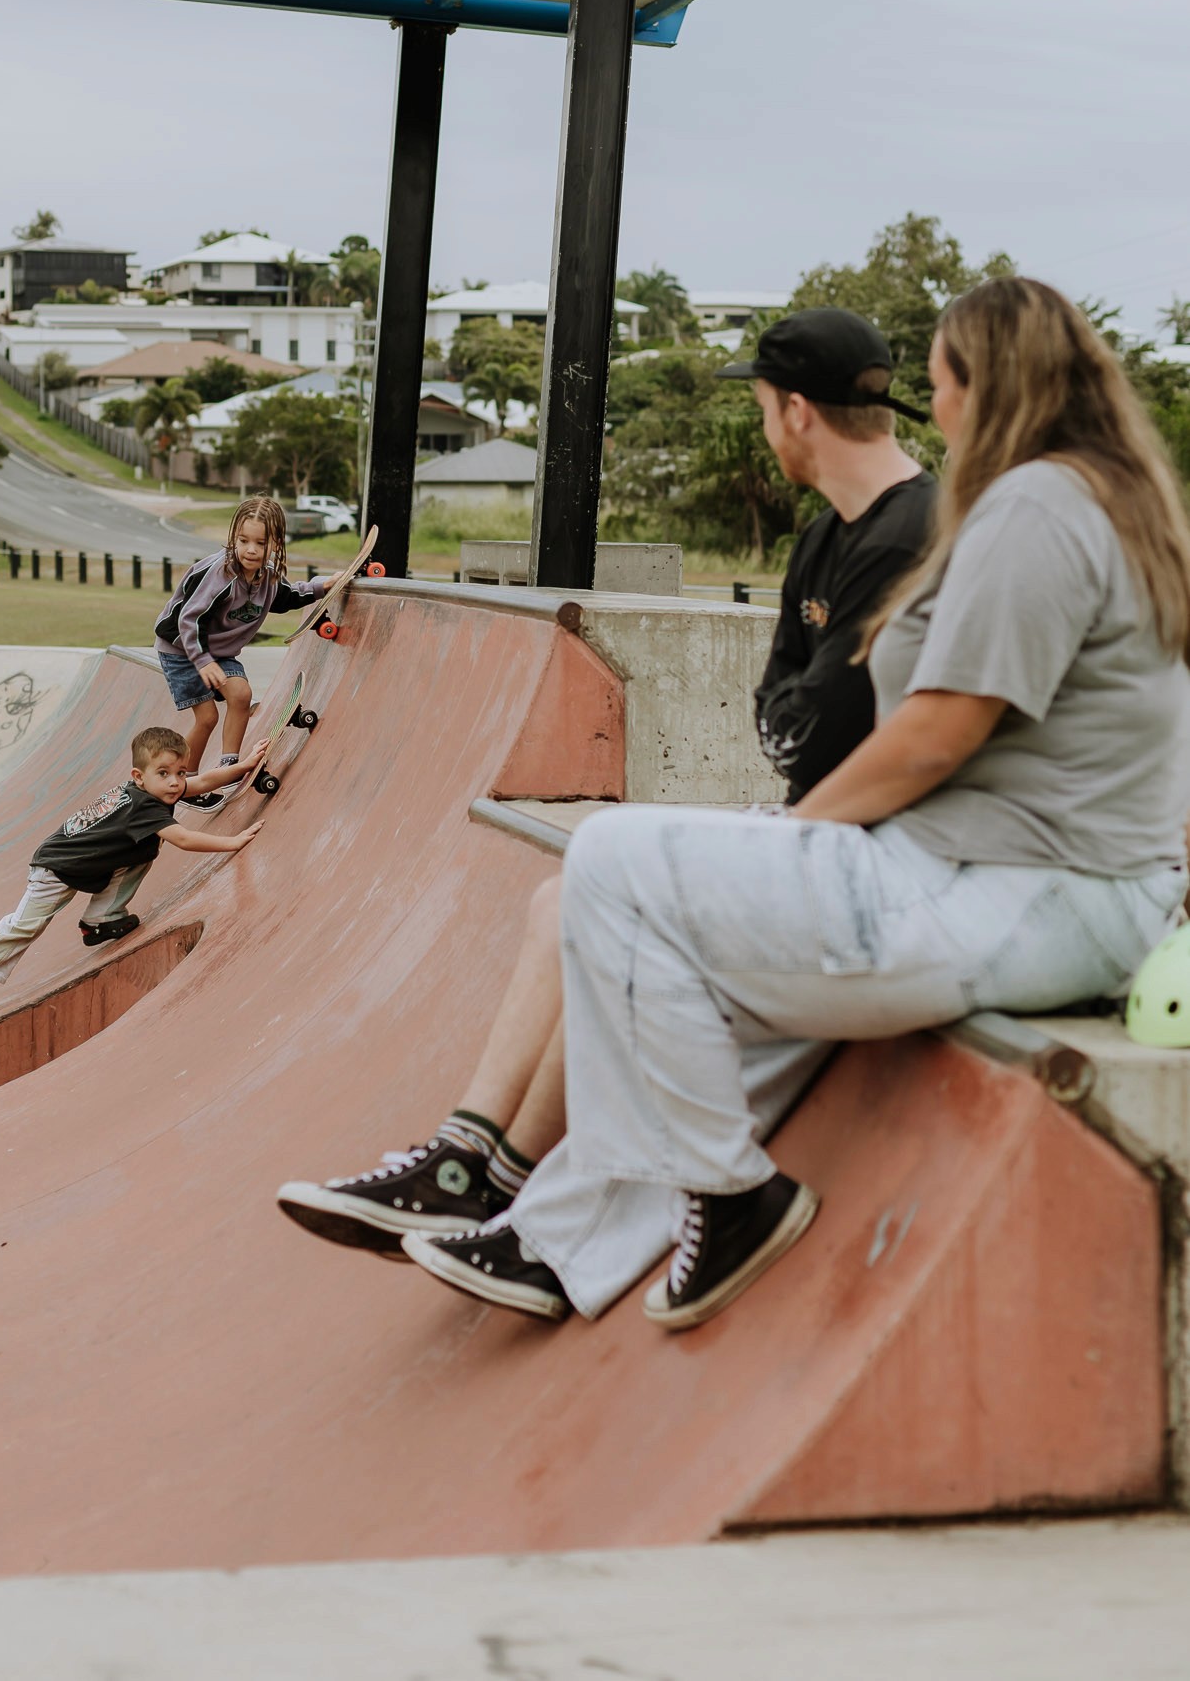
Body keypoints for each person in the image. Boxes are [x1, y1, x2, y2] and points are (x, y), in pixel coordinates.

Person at [398, 278, 1190, 1328]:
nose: (936, 410)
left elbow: (938, 730)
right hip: (1040, 888)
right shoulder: (1100, 499)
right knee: (704, 983)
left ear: (981, 385)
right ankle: (555, 1241)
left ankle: (730, 1196)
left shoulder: (1037, 504)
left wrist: (798, 829)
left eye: (942, 383)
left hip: (1023, 891)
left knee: (611, 864)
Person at [277, 309, 936, 1260]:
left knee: (605, 883)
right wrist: (806, 713)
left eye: (760, 408)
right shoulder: (823, 541)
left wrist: (806, 715)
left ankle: (501, 1185)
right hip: (819, 820)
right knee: (561, 899)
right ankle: (467, 1167)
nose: (762, 428)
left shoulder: (914, 535)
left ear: (795, 412)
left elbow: (823, 728)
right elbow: (783, 713)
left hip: (869, 847)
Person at [0, 725, 265, 1028]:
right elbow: (185, 839)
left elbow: (201, 781)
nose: (175, 782)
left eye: (179, 772)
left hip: (77, 861)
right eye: (164, 773)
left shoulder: (151, 790)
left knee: (143, 847)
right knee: (23, 927)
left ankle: (101, 920)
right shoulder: (144, 807)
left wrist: (244, 765)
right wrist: (231, 842)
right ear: (138, 776)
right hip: (57, 868)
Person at [156, 498, 333, 773]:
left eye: (261, 544)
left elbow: (288, 596)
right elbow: (188, 620)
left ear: (275, 543)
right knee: (207, 718)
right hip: (181, 648)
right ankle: (184, 779)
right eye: (243, 541)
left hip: (218, 652)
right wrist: (203, 661)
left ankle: (229, 765)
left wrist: (324, 585)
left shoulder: (267, 578)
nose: (251, 550)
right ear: (233, 539)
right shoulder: (220, 574)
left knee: (240, 694)